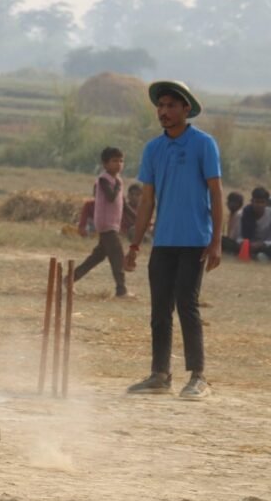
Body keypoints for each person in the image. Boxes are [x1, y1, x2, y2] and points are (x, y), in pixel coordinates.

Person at [125, 80, 222, 399]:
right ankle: (159, 375)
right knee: (159, 310)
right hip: (164, 241)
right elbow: (147, 201)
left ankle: (198, 376)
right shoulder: (154, 148)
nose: (164, 112)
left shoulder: (203, 144)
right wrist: (136, 244)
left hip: (195, 239)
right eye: (161, 106)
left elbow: (216, 193)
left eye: (170, 106)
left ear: (185, 109)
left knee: (187, 305)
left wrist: (216, 241)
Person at [73, 147, 131, 298]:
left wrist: (140, 218)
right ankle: (121, 290)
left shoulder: (118, 180)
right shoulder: (104, 179)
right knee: (117, 254)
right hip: (106, 224)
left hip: (113, 224)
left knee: (97, 256)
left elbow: (123, 204)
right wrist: (118, 186)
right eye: (114, 161)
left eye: (121, 161)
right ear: (105, 164)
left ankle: (69, 280)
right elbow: (111, 197)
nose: (118, 164)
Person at [237, 186, 270, 261]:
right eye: (257, 202)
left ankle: (262, 256)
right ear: (252, 201)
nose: (259, 205)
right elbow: (239, 237)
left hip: (265, 246)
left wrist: (261, 244)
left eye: (262, 202)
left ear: (267, 203)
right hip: (248, 245)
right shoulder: (244, 214)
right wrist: (246, 243)